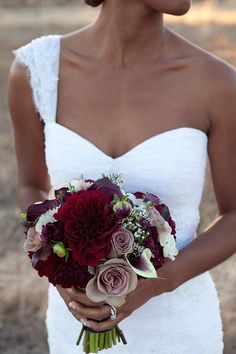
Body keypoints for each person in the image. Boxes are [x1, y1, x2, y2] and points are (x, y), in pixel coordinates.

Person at [7, 0, 236, 353]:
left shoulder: (218, 83)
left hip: (179, 332)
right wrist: (58, 269)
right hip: (75, 325)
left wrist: (157, 282)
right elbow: (31, 186)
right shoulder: (36, 71)